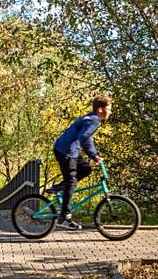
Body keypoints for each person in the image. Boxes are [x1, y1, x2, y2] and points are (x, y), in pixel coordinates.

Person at [46, 95, 112, 230]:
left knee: (86, 169)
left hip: (69, 149)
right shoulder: (94, 120)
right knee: (71, 182)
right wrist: (94, 156)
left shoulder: (91, 117)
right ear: (100, 110)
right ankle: (64, 217)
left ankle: (59, 187)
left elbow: (85, 137)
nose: (110, 112)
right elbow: (84, 137)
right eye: (109, 109)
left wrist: (94, 154)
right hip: (66, 151)